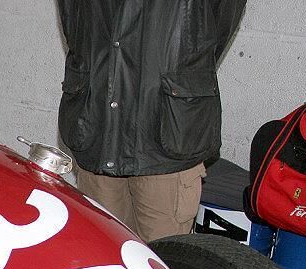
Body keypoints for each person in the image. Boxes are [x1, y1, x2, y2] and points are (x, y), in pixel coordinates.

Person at [56, 0, 247, 241]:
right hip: (99, 129)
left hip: (165, 135)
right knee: (102, 258)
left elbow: (214, 29)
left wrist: (179, 73)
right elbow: (73, 21)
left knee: (162, 265)